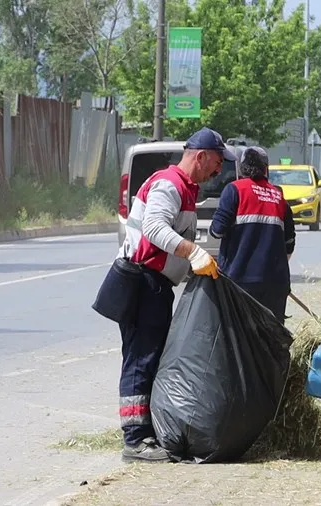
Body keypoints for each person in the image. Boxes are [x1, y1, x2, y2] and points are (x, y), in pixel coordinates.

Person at [116, 127, 236, 462]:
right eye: (216, 163)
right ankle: (136, 439)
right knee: (141, 357)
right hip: (142, 280)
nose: (217, 170)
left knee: (150, 355)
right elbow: (154, 229)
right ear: (201, 156)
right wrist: (193, 253)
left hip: (155, 282)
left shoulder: (185, 189)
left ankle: (145, 432)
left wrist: (193, 266)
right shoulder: (169, 184)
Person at [209, 146, 295, 321]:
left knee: (240, 342)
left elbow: (217, 232)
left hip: (238, 283)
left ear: (242, 168)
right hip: (276, 286)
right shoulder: (279, 197)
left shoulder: (234, 190)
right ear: (266, 169)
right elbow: (290, 244)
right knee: (271, 341)